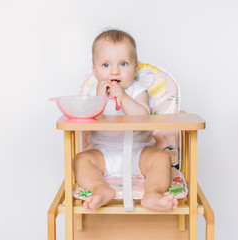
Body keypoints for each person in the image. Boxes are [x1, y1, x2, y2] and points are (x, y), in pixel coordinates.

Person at [72, 29, 178, 212]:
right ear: (95, 71)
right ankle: (101, 188)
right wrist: (99, 99)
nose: (115, 71)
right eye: (106, 65)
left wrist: (124, 97)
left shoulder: (137, 90)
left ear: (135, 68)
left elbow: (143, 117)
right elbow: (88, 120)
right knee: (80, 160)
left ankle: (152, 194)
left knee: (161, 158)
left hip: (139, 154)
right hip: (103, 155)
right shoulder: (93, 94)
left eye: (123, 63)